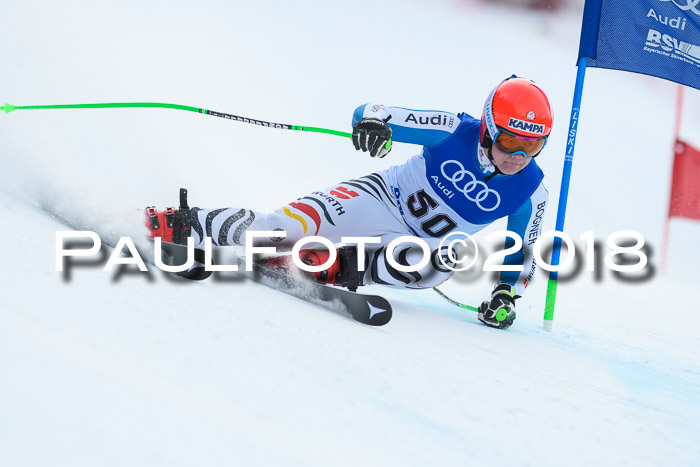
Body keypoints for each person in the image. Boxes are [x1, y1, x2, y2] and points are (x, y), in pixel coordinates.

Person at [146, 76, 552, 330]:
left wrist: (505, 294)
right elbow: (373, 111)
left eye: (533, 145)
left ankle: (326, 264)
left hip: (414, 247)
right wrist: (373, 124)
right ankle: (183, 222)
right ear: (489, 127)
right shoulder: (453, 129)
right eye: (510, 140)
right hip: (376, 198)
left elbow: (522, 252)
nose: (518, 154)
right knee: (277, 229)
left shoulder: (531, 191)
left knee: (444, 257)